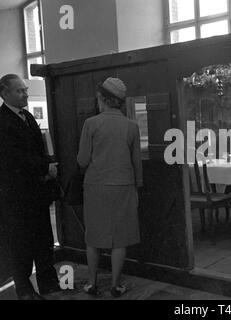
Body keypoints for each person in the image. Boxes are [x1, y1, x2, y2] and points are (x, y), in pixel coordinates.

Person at [77, 77, 143, 298]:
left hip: (96, 186)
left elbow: (82, 160)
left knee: (93, 236)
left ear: (101, 98)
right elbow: (136, 163)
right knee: (120, 238)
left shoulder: (91, 124)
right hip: (124, 186)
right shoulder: (132, 126)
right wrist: (137, 186)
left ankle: (92, 284)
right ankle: (116, 285)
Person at [0, 74, 60, 300]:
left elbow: (36, 151)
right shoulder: (3, 121)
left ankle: (49, 284)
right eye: (20, 91)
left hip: (36, 193)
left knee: (43, 239)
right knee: (21, 244)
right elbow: (14, 159)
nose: (25, 94)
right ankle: (24, 289)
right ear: (4, 93)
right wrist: (46, 167)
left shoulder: (27, 117)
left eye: (25, 90)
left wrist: (45, 168)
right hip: (16, 197)